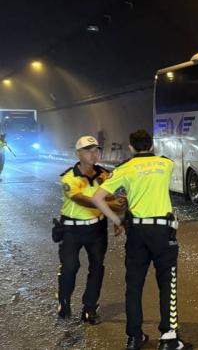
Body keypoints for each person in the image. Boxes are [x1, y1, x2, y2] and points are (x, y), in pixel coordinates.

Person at [90, 130, 192, 350]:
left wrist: (117, 219)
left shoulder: (124, 168)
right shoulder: (165, 164)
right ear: (152, 145)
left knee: (134, 285)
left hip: (136, 232)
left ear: (130, 147)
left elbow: (97, 197)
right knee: (167, 283)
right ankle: (169, 338)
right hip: (163, 232)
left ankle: (134, 337)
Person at [56, 136, 125, 323]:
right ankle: (64, 300)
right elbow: (80, 199)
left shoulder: (104, 175)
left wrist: (118, 219)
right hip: (72, 229)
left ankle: (89, 308)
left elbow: (120, 197)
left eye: (96, 150)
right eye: (88, 150)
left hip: (97, 229)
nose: (93, 154)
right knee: (70, 267)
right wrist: (109, 202)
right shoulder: (69, 176)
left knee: (97, 267)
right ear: (78, 154)